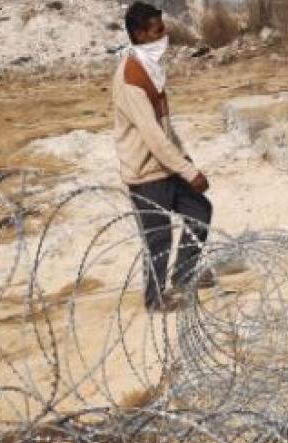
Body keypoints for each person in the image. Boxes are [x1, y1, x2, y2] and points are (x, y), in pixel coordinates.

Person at [114, 1, 213, 312]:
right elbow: (153, 136)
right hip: (146, 174)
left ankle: (184, 273)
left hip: (166, 167)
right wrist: (188, 171)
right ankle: (155, 300)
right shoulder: (131, 78)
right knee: (158, 240)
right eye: (158, 31)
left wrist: (185, 157)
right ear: (140, 34)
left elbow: (165, 126)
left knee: (200, 210)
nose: (164, 36)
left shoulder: (149, 68)